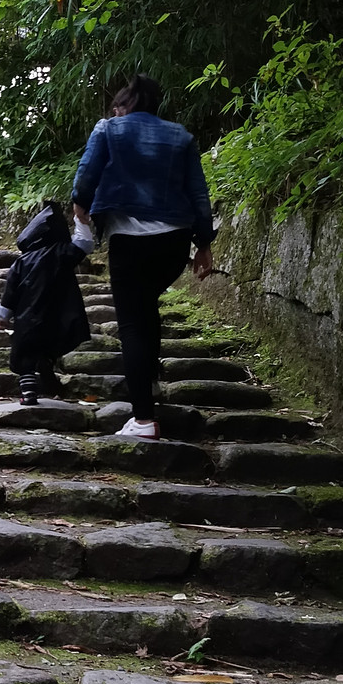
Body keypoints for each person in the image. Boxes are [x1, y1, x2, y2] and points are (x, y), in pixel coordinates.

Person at [71, 71, 214, 441]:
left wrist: (80, 205)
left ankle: (143, 419)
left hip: (129, 242)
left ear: (124, 106)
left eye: (117, 106)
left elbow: (87, 173)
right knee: (146, 309)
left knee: (132, 323)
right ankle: (148, 384)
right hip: (173, 244)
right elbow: (198, 193)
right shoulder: (181, 136)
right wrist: (204, 244)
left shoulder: (109, 129)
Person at [0, 201, 95, 405]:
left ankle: (29, 392)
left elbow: (10, 291)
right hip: (58, 315)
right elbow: (84, 244)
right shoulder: (62, 252)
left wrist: (2, 315)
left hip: (28, 317)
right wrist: (80, 221)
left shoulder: (22, 261)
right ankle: (52, 384)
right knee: (49, 350)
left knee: (24, 355)